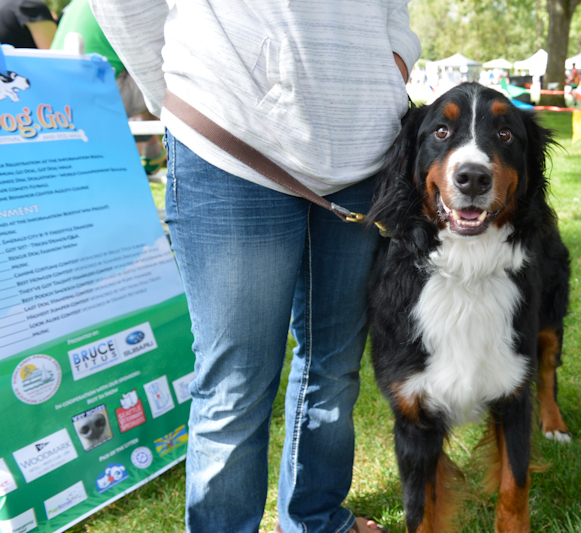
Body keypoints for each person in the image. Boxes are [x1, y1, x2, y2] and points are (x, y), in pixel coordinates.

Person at [91, 1, 421, 532]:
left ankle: (315, 519)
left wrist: (390, 67)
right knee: (236, 385)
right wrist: (178, 90)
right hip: (229, 144)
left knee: (335, 368)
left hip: (364, 157)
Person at [50, 0, 164, 174]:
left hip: (58, 94)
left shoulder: (76, 4)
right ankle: (152, 148)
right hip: (97, 93)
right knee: (162, 66)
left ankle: (150, 145)